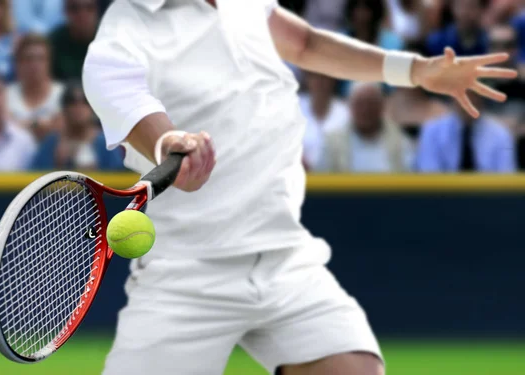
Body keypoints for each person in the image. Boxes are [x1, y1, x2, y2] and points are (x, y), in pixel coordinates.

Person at [82, 1, 516, 374]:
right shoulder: (122, 35)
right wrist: (168, 143)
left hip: (284, 259)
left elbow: (306, 44)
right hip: (186, 275)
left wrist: (417, 70)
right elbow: (138, 113)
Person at [317, 83, 414, 172]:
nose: (365, 110)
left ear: (381, 107)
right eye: (360, 104)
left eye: (370, 103)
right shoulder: (332, 142)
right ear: (350, 107)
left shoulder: (400, 141)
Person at [30, 81, 123, 170]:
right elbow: (35, 177)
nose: (79, 107)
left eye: (84, 102)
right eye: (72, 102)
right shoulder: (52, 143)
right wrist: (58, 164)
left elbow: (121, 178)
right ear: (64, 108)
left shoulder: (106, 144)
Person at [416, 92, 516, 173]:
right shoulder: (432, 131)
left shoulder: (500, 134)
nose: (469, 100)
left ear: (482, 97)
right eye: (464, 93)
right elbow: (428, 173)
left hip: (488, 194)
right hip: (442, 194)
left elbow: (506, 175)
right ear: (453, 97)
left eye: (474, 94)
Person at [7, 33, 63, 141]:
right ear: (18, 63)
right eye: (29, 59)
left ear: (49, 63)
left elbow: (62, 130)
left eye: (40, 59)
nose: (35, 64)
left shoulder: (62, 94)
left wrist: (22, 125)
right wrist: (40, 125)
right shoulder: (5, 95)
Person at [299, 72, 350, 170]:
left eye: (324, 78)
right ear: (307, 80)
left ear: (333, 81)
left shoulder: (345, 111)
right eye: (315, 77)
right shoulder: (295, 105)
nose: (320, 83)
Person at [49, 0, 98, 81]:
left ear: (97, 11)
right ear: (65, 11)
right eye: (75, 8)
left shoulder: (109, 39)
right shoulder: (54, 43)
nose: (82, 14)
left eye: (89, 7)